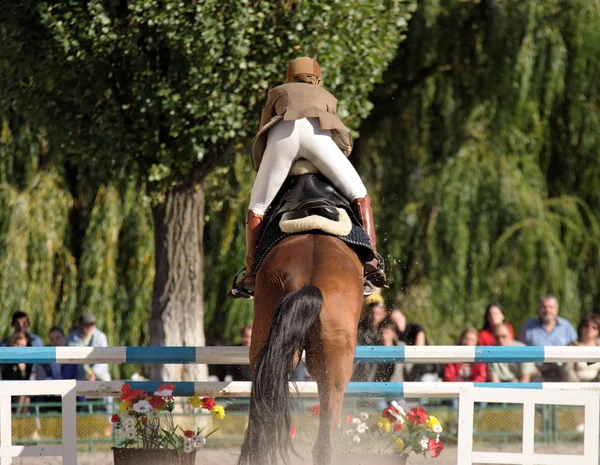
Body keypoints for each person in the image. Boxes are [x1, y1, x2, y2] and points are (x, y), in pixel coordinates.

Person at [230, 56, 386, 298]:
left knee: (258, 207)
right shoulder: (327, 96)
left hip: (284, 135)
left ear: (288, 78)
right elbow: (339, 139)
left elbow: (263, 132)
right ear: (318, 79)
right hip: (318, 137)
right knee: (360, 194)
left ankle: (251, 273)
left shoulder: (277, 92)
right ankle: (372, 259)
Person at [519, 295, 577, 381]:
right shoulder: (528, 326)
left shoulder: (566, 326)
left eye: (551, 307)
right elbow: (521, 349)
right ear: (538, 309)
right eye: (544, 307)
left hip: (561, 371)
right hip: (537, 372)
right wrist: (530, 368)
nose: (547, 310)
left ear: (557, 310)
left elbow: (575, 347)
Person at [35, 326, 86, 410]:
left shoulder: (73, 356)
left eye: (58, 338)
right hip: (50, 395)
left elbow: (80, 376)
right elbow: (41, 379)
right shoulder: (43, 358)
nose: (55, 342)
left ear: (65, 338)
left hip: (71, 394)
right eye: (51, 339)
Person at [66, 312, 111, 383]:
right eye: (86, 325)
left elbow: (104, 360)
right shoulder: (71, 337)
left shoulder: (101, 337)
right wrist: (87, 372)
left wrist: (94, 372)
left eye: (92, 324)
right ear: (80, 325)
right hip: (79, 372)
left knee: (106, 381)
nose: (89, 327)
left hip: (98, 372)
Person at [560, 313, 600, 382]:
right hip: (575, 386)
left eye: (594, 327)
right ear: (580, 328)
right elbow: (567, 370)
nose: (589, 329)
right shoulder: (572, 345)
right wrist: (579, 386)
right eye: (586, 326)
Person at [1, 332, 32, 413]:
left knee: (24, 396)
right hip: (5, 391)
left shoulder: (28, 362)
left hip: (20, 394)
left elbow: (26, 381)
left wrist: (22, 371)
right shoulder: (4, 360)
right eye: (17, 344)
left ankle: (17, 419)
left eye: (22, 346)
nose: (19, 348)